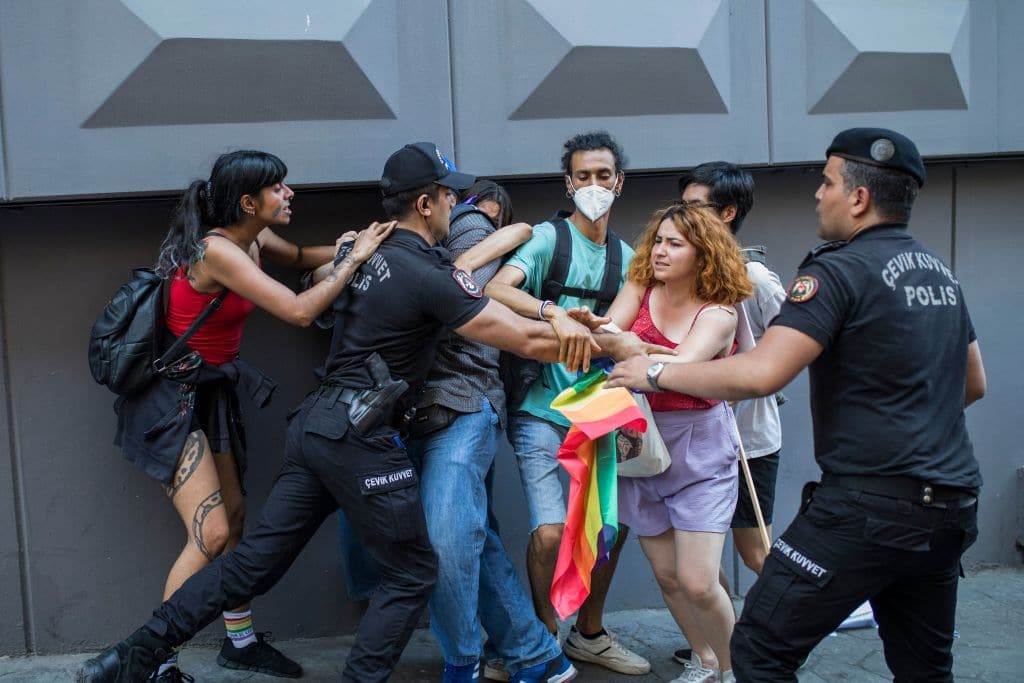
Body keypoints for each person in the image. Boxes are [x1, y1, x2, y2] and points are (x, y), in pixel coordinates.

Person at [78, 141, 608, 683]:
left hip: (316, 427)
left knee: (251, 563)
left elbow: (311, 272)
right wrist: (604, 339)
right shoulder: (427, 273)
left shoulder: (368, 252)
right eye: (450, 195)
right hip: (358, 435)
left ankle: (132, 654)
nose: (457, 204)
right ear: (426, 204)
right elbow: (520, 337)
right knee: (412, 572)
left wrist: (352, 256)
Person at [607, 128, 986, 682]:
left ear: (858, 198)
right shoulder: (940, 275)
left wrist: (655, 368)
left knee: (757, 648)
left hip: (866, 505)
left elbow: (762, 374)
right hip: (951, 505)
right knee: (924, 667)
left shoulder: (836, 270)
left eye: (826, 182)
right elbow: (972, 383)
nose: (817, 194)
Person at [111, 150, 393, 682]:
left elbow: (307, 256)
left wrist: (364, 243)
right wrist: (354, 261)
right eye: (279, 189)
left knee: (235, 521)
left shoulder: (254, 239)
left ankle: (238, 642)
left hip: (210, 394)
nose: (290, 195)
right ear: (248, 202)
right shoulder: (218, 251)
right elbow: (299, 310)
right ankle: (155, 661)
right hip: (170, 401)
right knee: (212, 534)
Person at [485, 131, 651, 676]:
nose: (595, 186)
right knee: (552, 531)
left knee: (608, 529)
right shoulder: (545, 239)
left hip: (596, 408)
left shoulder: (627, 259)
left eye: (604, 176)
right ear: (569, 182)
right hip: (538, 407)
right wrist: (552, 311)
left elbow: (628, 333)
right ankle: (540, 638)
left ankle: (591, 634)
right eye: (584, 176)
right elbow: (495, 288)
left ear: (619, 182)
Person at [574, 203, 752, 683]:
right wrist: (594, 328)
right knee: (669, 577)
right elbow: (608, 337)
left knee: (698, 581)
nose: (660, 251)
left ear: (704, 254)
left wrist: (632, 350)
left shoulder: (720, 313)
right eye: (658, 240)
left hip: (699, 451)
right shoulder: (641, 287)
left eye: (675, 243)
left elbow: (680, 374)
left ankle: (741, 669)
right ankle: (705, 659)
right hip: (640, 444)